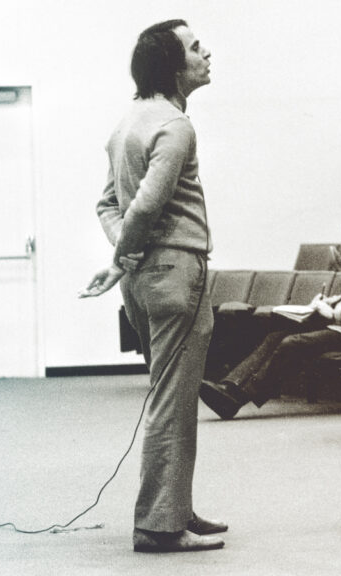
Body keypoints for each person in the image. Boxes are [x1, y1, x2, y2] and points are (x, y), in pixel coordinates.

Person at [79, 19, 226, 553]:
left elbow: (108, 205)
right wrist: (124, 257)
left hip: (145, 281)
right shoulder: (175, 125)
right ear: (172, 65)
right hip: (176, 274)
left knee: (174, 397)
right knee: (173, 400)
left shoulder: (127, 123)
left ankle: (176, 507)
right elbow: (145, 205)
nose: (206, 53)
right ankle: (160, 526)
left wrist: (123, 261)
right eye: (194, 48)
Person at [199, 211, 341, 419]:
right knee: (277, 333)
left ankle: (237, 398)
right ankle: (229, 385)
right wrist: (327, 302)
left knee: (294, 343)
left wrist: (333, 311)